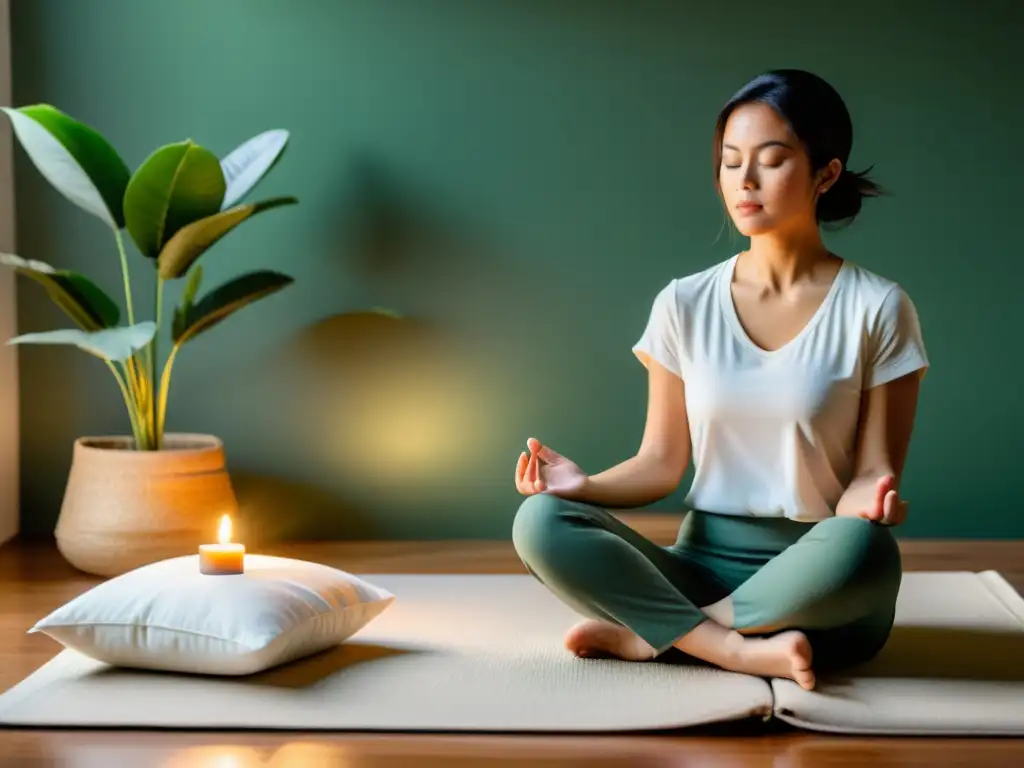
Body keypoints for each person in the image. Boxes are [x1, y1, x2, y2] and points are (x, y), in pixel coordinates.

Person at [510, 69, 929, 691]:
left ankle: (665, 636)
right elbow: (660, 462)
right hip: (700, 564)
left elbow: (872, 471)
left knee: (866, 551)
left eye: (771, 160)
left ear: (826, 174)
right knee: (540, 522)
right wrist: (585, 485)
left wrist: (868, 501)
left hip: (815, 583)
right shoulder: (683, 303)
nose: (745, 181)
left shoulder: (878, 307)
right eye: (731, 163)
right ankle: (734, 648)